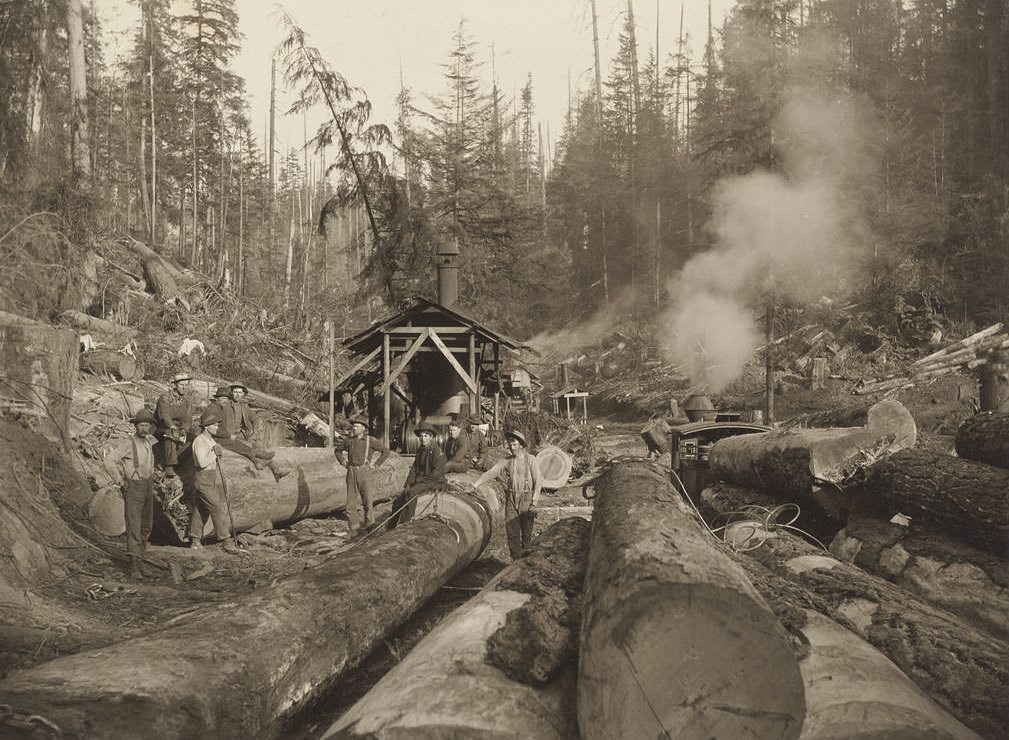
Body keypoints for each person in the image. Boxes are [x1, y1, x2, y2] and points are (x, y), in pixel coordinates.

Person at [104, 408, 157, 579]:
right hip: (134, 487)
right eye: (141, 425)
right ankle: (134, 567)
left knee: (146, 526)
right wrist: (119, 480)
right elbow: (109, 460)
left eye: (147, 425)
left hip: (148, 486)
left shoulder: (149, 441)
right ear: (136, 426)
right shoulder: (129, 443)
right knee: (134, 526)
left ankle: (141, 561)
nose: (144, 428)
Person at [473, 430, 542, 559]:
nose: (512, 447)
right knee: (512, 533)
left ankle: (525, 564)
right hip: (511, 498)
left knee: (526, 535)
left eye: (514, 444)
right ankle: (515, 562)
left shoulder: (531, 460)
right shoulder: (506, 461)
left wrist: (534, 502)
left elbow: (538, 483)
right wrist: (475, 484)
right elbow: (491, 473)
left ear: (521, 445)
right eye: (510, 444)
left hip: (526, 499)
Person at [187, 407, 240, 553]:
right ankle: (226, 541)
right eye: (214, 425)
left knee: (201, 510)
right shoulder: (199, 441)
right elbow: (201, 462)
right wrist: (215, 454)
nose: (217, 427)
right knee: (217, 507)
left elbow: (214, 458)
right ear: (206, 427)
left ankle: (195, 540)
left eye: (217, 425)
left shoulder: (210, 440)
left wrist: (217, 453)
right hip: (202, 478)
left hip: (210, 477)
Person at [212, 383, 288, 480]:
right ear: (231, 393)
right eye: (235, 392)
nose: (237, 395)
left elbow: (255, 418)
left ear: (243, 394)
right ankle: (259, 463)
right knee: (249, 449)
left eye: (240, 392)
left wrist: (254, 432)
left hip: (240, 435)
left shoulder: (244, 407)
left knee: (258, 446)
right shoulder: (225, 404)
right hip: (228, 436)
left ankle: (275, 469)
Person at [337, 415, 390, 533]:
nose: (354, 428)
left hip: (365, 472)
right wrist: (342, 461)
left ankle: (370, 527)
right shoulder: (349, 440)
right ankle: (353, 529)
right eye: (354, 426)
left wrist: (376, 464)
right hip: (351, 472)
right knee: (350, 503)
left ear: (363, 428)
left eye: (356, 426)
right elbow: (337, 450)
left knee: (367, 501)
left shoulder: (370, 440)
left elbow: (386, 451)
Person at [390, 424, 447, 527]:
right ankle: (391, 526)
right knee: (400, 498)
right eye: (421, 436)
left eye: (425, 436)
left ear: (431, 437)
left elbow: (437, 473)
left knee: (411, 493)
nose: (423, 438)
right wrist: (408, 484)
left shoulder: (437, 451)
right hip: (423, 481)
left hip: (434, 481)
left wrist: (420, 481)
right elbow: (414, 468)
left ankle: (406, 523)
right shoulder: (420, 450)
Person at [155, 372, 195, 477]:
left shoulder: (187, 401)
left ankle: (164, 462)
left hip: (177, 427)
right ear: (175, 385)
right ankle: (169, 466)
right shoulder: (165, 397)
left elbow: (188, 419)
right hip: (161, 427)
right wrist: (172, 427)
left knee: (194, 439)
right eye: (181, 385)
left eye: (186, 385)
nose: (184, 387)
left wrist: (184, 429)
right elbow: (164, 416)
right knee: (171, 435)